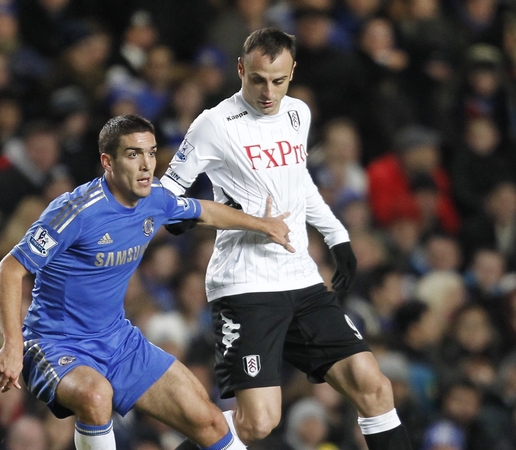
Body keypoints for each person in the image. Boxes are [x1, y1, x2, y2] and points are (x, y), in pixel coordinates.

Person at [159, 28, 412, 450]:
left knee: (374, 386)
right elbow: (168, 197)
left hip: (301, 278)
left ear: (292, 71)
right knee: (259, 422)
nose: (267, 92)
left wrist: (337, 237)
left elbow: (298, 184)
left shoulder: (298, 113)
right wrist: (197, 216)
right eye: (257, 79)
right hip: (246, 285)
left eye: (278, 81)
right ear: (241, 69)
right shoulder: (214, 124)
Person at [0, 114, 293, 450]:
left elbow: (204, 211)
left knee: (208, 420)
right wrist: (13, 346)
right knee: (95, 395)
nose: (147, 165)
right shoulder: (75, 212)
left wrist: (261, 225)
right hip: (55, 344)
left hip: (118, 341)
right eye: (134, 154)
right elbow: (9, 271)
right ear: (108, 161)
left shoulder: (156, 198)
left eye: (151, 153)